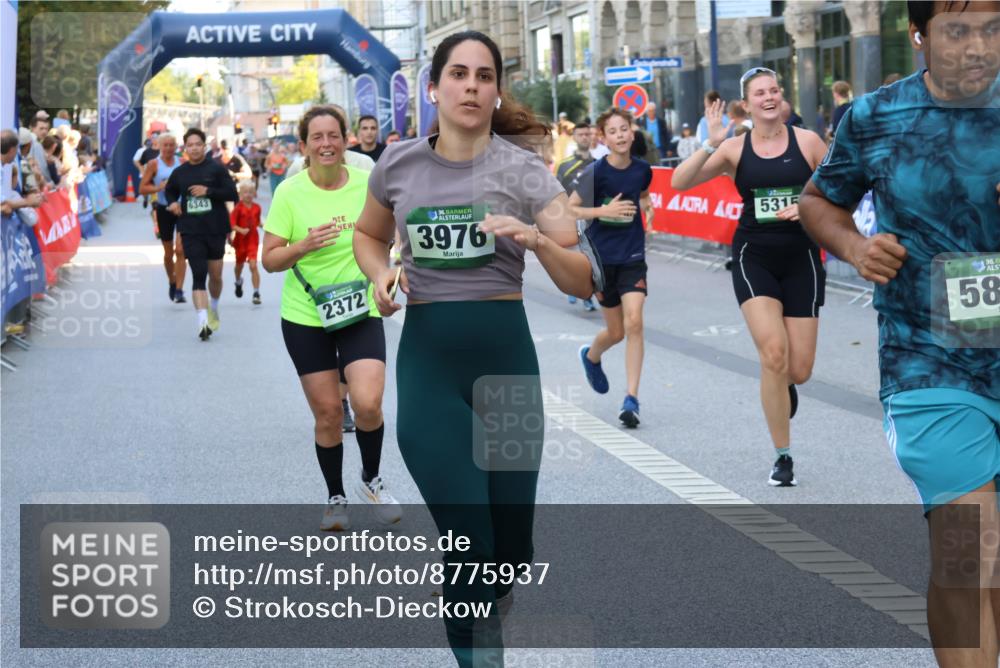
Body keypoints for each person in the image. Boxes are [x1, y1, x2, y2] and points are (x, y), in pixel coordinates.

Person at [352, 31, 592, 667]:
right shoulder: (397, 164)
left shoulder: (525, 172)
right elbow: (368, 238)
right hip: (431, 367)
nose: (471, 86)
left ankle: (487, 603)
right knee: (469, 541)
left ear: (495, 91)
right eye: (458, 74)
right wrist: (379, 274)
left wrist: (540, 243)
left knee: (510, 549)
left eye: (484, 76)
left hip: (507, 368)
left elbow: (584, 276)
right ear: (434, 88)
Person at [800, 1, 1000, 662]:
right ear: (917, 37)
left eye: (994, 28)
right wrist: (855, 249)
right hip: (931, 360)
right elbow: (817, 200)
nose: (978, 45)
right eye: (958, 30)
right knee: (970, 550)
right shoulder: (877, 117)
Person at [672, 68, 830, 486]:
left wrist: (809, 207)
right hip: (753, 255)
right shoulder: (734, 149)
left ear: (782, 96)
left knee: (799, 369)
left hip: (802, 258)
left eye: (774, 89)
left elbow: (841, 185)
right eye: (760, 93)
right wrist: (711, 139)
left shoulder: (809, 142)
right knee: (773, 354)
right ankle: (783, 455)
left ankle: (784, 386)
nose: (769, 97)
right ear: (747, 103)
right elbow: (679, 182)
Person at [262, 105, 402, 532]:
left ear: (346, 141)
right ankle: (335, 496)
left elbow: (390, 239)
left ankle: (372, 479)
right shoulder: (290, 192)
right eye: (317, 137)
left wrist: (388, 276)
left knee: (368, 402)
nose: (326, 144)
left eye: (333, 136)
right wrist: (302, 246)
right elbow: (269, 260)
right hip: (306, 316)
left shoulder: (367, 184)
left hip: (359, 307)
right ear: (303, 146)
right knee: (327, 414)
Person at [569, 108, 654, 428]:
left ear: (632, 133)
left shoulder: (643, 170)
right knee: (616, 331)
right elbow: (570, 207)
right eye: (613, 131)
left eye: (625, 129)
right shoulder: (597, 172)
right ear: (604, 139)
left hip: (633, 256)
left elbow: (643, 195)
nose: (620, 135)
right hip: (603, 261)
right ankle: (591, 356)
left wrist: (649, 208)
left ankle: (631, 398)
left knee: (635, 322)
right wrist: (605, 209)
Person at [164, 128, 238, 340]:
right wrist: (172, 203)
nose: (194, 148)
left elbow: (233, 194)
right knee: (198, 274)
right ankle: (202, 322)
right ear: (185, 148)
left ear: (204, 147)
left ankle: (213, 306)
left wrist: (209, 191)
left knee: (215, 275)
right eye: (190, 145)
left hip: (215, 228)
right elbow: (170, 190)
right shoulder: (180, 172)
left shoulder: (216, 169)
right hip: (190, 230)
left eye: (198, 144)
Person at [138, 132, 187, 303]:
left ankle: (180, 290)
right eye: (165, 145)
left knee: (180, 250)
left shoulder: (182, 162)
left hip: (181, 209)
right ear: (159, 146)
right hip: (163, 209)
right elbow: (142, 188)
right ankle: (172, 281)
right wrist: (158, 187)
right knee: (168, 253)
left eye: (171, 145)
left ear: (176, 146)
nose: (168, 148)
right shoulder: (153, 164)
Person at [556, 122, 598, 312]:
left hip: (592, 217)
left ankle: (586, 293)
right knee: (577, 258)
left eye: (587, 134)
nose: (584, 137)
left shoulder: (598, 163)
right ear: (574, 137)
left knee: (592, 259)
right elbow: (555, 192)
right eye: (580, 134)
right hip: (572, 218)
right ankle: (578, 290)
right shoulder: (565, 166)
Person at [230, 180, 262, 305]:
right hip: (240, 241)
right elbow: (232, 224)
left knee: (253, 265)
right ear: (240, 194)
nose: (248, 195)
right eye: (245, 192)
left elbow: (257, 222)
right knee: (239, 266)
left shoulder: (257, 208)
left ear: (254, 193)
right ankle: (238, 281)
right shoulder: (238, 208)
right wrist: (240, 230)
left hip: (253, 240)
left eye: (250, 192)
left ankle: (256, 293)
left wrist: (264, 226)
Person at [133, 136, 159, 209]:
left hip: (154, 175)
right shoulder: (141, 151)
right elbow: (136, 161)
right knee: (145, 190)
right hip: (144, 174)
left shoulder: (158, 150)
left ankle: (154, 202)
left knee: (153, 188)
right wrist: (141, 170)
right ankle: (145, 199)